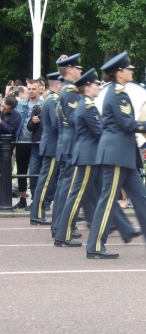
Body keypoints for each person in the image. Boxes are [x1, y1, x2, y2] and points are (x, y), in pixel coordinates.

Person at [86, 52, 146, 259]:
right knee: (108, 200)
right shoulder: (117, 94)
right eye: (128, 69)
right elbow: (127, 124)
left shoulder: (119, 93)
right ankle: (95, 246)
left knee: (142, 198)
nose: (131, 71)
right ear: (119, 73)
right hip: (117, 154)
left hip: (123, 154)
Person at [54, 69, 143, 247]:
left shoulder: (87, 104)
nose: (99, 87)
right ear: (87, 88)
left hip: (89, 155)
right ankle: (62, 234)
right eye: (95, 85)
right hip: (88, 156)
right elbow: (98, 131)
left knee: (99, 193)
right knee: (77, 196)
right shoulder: (88, 106)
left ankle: (124, 228)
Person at [51, 54, 83, 238]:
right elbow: (74, 120)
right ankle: (61, 226)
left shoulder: (68, 90)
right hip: (71, 145)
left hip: (66, 144)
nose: (80, 71)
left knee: (65, 187)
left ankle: (60, 225)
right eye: (78, 68)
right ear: (70, 69)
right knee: (67, 188)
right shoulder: (70, 91)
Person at [29, 73, 62, 225]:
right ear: (58, 84)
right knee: (46, 181)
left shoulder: (49, 99)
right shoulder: (53, 100)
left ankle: (37, 213)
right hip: (52, 146)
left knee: (45, 181)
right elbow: (57, 124)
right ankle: (36, 214)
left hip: (50, 144)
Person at [13, 79, 43, 209]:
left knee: (35, 172)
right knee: (21, 172)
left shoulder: (44, 104)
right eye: (29, 89)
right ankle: (22, 198)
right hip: (21, 141)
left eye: (33, 89)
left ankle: (35, 201)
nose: (31, 91)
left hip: (36, 142)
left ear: (39, 89)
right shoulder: (20, 104)